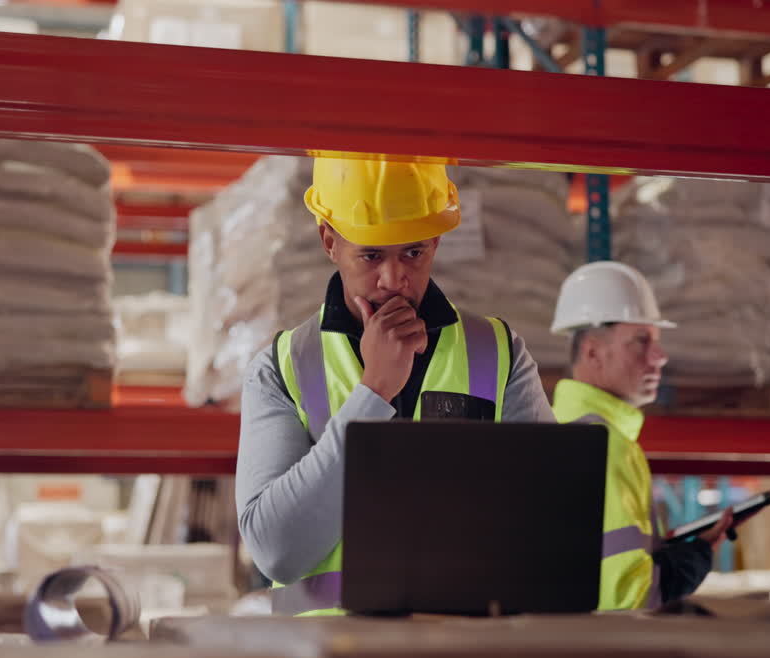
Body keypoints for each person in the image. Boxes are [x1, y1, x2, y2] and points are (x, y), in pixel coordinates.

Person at [236, 157, 555, 616]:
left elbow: (550, 528)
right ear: (329, 241)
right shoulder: (281, 368)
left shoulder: (499, 352)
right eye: (371, 255)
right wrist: (373, 393)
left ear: (436, 242)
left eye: (413, 252)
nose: (394, 280)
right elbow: (278, 553)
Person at [550, 261, 736, 610]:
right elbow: (630, 603)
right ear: (592, 352)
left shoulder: (564, 427)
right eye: (641, 340)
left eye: (657, 341)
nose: (660, 357)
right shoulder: (603, 446)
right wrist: (691, 562)